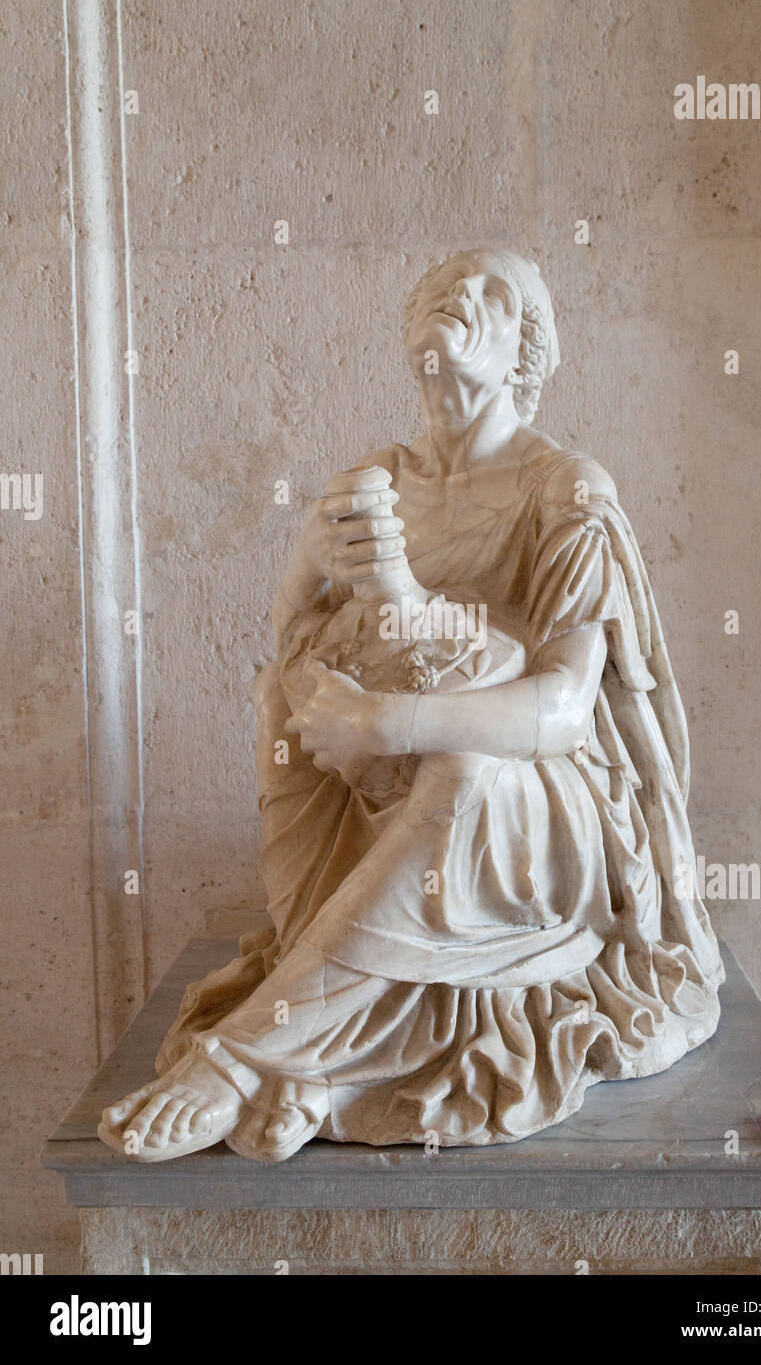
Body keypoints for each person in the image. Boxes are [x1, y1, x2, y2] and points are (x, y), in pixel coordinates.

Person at [99, 248, 723, 1163]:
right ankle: (329, 1058)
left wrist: (390, 723)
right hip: (378, 779)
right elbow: (295, 646)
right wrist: (305, 568)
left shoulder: (565, 490)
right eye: (436, 292)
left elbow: (563, 711)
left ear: (526, 352)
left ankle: (241, 1060)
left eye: (490, 296)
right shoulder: (378, 479)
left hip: (540, 804)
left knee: (463, 771)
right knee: (280, 701)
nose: (456, 297)